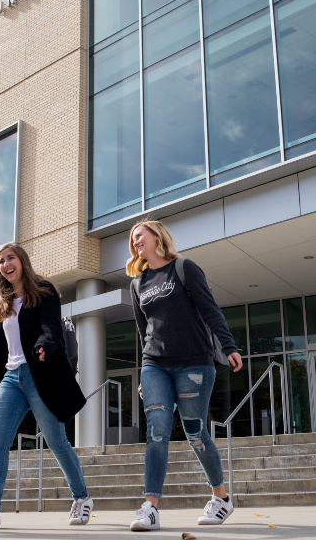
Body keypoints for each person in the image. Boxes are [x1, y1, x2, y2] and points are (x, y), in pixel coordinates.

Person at [0, 243, 93, 530]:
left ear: (22, 261)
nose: (5, 264)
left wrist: (44, 344)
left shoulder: (42, 291)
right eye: (1, 261)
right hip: (11, 376)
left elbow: (51, 326)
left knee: (57, 442)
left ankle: (82, 498)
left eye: (10, 258)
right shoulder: (3, 301)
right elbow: (3, 349)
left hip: (38, 374)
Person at [127, 220, 242, 531]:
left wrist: (228, 345)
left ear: (157, 236)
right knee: (157, 430)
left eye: (140, 235)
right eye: (133, 239)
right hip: (155, 365)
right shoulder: (137, 284)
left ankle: (221, 497)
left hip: (193, 363)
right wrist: (143, 374)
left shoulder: (184, 268)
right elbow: (143, 332)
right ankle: (150, 507)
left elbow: (209, 308)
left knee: (195, 433)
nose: (136, 241)